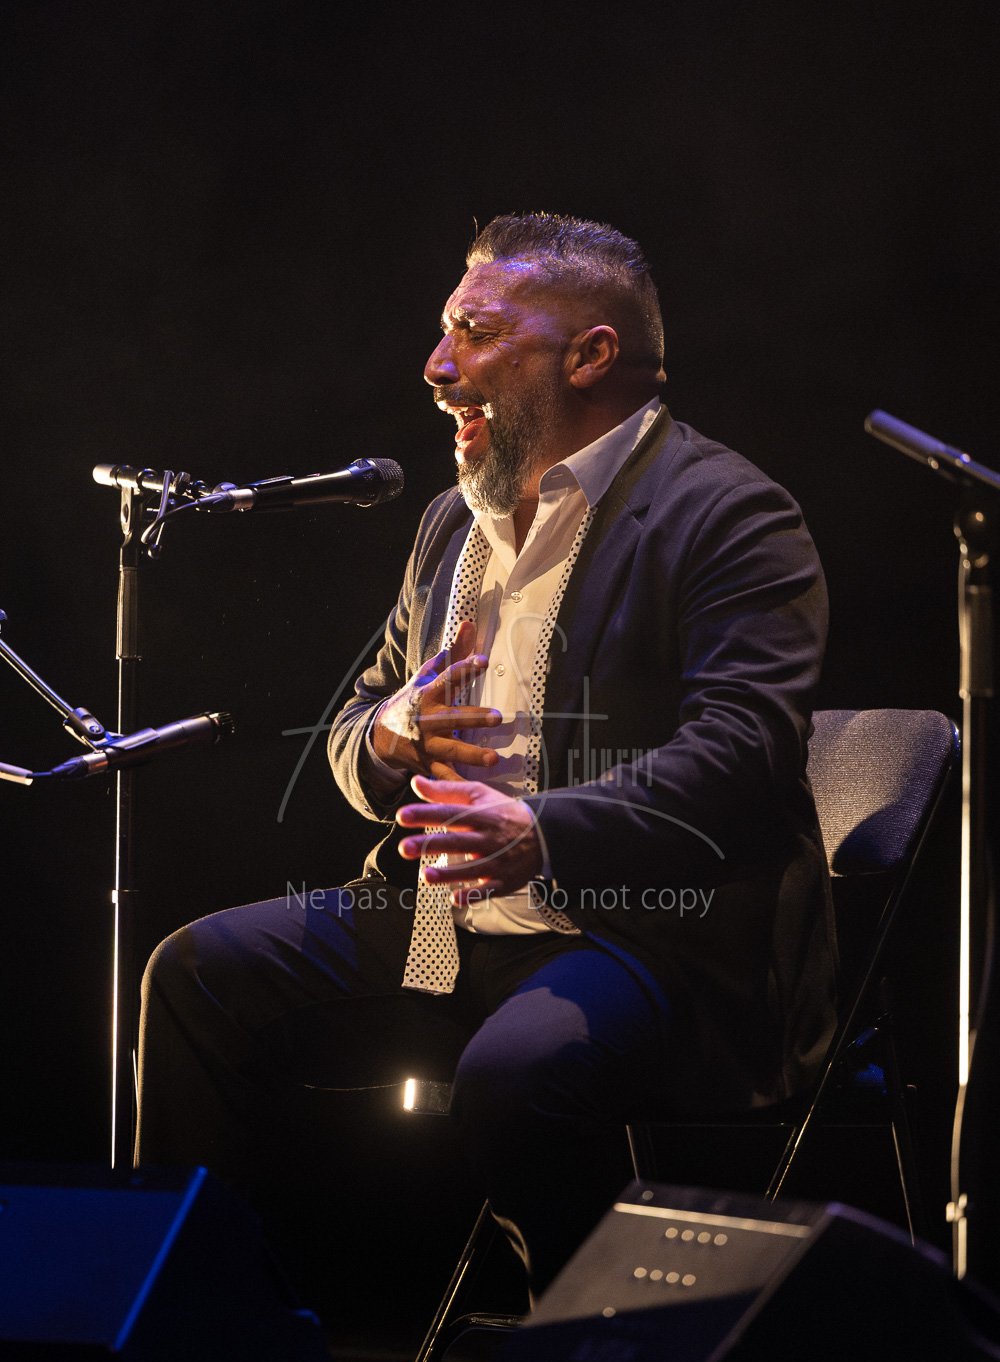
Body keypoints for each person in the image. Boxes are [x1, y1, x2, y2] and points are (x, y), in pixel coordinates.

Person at [135, 213, 837, 1296]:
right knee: (194, 977)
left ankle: (601, 1357)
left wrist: (543, 829)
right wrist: (392, 732)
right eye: (443, 331)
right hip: (442, 925)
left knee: (517, 1081)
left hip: (641, 936)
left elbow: (744, 750)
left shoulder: (726, 512)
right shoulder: (449, 525)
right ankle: (195, 1336)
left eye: (474, 333)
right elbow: (353, 731)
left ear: (589, 354)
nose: (435, 366)